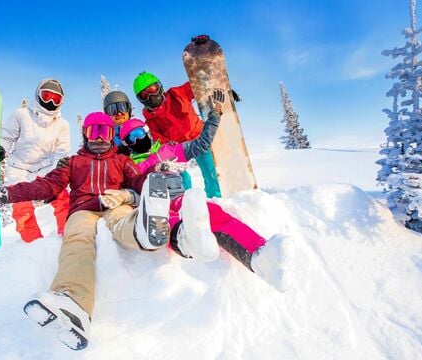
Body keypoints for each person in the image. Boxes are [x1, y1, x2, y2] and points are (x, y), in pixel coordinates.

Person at [0, 112, 178, 350]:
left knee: (122, 219)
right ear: (85, 135)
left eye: (104, 132)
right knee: (77, 240)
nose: (99, 138)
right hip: (83, 209)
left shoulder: (122, 161)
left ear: (111, 136)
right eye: (93, 132)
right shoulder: (73, 162)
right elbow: (48, 185)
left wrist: (155, 173)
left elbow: (136, 182)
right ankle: (73, 303)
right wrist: (11, 194)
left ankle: (143, 231)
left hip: (115, 202)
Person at [120, 101, 293, 288]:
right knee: (165, 221)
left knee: (214, 212)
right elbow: (127, 187)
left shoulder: (169, 150)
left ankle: (258, 256)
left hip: (180, 200)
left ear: (146, 132)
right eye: (131, 139)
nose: (137, 141)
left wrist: (214, 116)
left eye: (138, 134)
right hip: (157, 204)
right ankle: (188, 240)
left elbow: (201, 145)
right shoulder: (130, 166)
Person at [0, 78, 70, 240]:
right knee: (22, 207)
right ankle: (32, 242)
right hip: (19, 167)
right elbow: (7, 135)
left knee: (62, 198)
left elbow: (62, 151)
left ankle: (68, 233)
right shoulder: (21, 115)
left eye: (56, 98)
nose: (51, 101)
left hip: (45, 168)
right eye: (46, 96)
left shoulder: (62, 125)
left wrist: (59, 170)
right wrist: (1, 148)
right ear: (38, 95)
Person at [133, 71, 222, 198]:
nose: (151, 96)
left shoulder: (177, 94)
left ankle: (215, 198)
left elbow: (196, 87)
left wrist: (219, 89)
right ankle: (184, 201)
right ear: (140, 100)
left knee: (210, 173)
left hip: (197, 139)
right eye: (144, 95)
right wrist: (168, 144)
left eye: (152, 89)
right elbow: (159, 139)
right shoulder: (151, 119)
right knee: (180, 177)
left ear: (160, 86)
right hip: (180, 150)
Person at [102, 90, 133, 155]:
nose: (119, 113)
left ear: (129, 110)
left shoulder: (141, 129)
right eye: (112, 109)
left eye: (122, 107)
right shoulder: (106, 139)